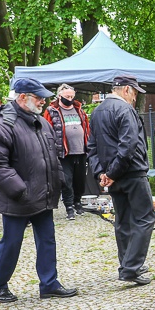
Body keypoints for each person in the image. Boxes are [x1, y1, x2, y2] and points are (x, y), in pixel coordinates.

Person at [0, 78, 77, 302]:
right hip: (18, 197)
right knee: (12, 242)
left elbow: (51, 155)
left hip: (43, 194)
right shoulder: (2, 124)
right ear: (22, 97)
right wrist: (19, 189)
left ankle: (49, 284)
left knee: (47, 239)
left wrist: (59, 180)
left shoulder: (40, 121)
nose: (43, 101)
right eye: (38, 97)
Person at [87, 76, 154, 285]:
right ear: (126, 90)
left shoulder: (97, 112)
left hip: (113, 175)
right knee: (145, 219)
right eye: (134, 93)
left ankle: (127, 265)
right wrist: (111, 174)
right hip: (131, 173)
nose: (134, 98)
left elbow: (92, 147)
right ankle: (131, 268)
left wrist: (102, 174)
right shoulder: (125, 110)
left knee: (123, 221)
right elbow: (128, 146)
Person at [43, 84, 91, 220]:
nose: (69, 99)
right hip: (63, 153)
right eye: (67, 96)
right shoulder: (52, 111)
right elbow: (47, 131)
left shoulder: (79, 110)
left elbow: (87, 127)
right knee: (67, 180)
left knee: (80, 180)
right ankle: (69, 206)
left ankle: (77, 201)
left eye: (71, 96)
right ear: (59, 96)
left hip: (80, 151)